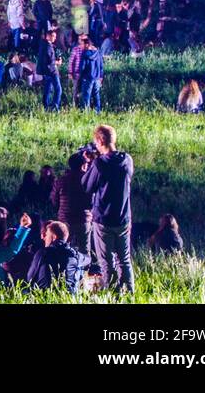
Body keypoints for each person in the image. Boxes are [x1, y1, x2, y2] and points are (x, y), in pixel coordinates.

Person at [83, 124, 135, 293]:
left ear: (100, 140)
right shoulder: (127, 160)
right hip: (123, 218)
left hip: (103, 220)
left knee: (106, 262)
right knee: (124, 260)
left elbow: (87, 186)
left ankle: (112, 295)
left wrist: (90, 165)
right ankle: (130, 293)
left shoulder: (99, 164)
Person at [26, 220, 89, 294]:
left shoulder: (42, 253)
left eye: (46, 235)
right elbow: (88, 259)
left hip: (45, 297)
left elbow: (29, 279)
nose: (44, 238)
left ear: (54, 237)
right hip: (67, 298)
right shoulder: (75, 255)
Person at [51, 151, 91, 249]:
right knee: (84, 249)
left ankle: (65, 264)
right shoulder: (87, 180)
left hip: (65, 218)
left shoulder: (61, 180)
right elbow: (92, 201)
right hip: (83, 218)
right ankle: (84, 264)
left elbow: (54, 199)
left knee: (64, 246)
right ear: (83, 166)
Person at [76, 36, 104, 112]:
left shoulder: (84, 54)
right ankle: (97, 112)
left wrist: (79, 77)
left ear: (87, 44)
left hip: (87, 78)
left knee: (86, 97)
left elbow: (82, 68)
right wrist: (101, 76)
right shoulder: (98, 53)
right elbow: (101, 65)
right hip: (97, 78)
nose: (80, 46)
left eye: (82, 44)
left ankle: (85, 113)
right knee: (96, 96)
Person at [38, 27, 63, 110]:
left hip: (46, 71)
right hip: (51, 71)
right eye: (53, 36)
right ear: (48, 36)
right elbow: (49, 61)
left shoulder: (44, 45)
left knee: (47, 89)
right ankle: (55, 107)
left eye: (55, 36)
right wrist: (58, 62)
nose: (55, 38)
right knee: (58, 89)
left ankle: (46, 107)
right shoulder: (48, 46)